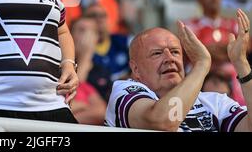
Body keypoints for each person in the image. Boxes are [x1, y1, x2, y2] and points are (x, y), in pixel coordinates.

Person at [105, 9, 252, 132]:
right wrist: (201, 65)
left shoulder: (214, 102)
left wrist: (241, 63)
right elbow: (163, 123)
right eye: (157, 53)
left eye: (175, 52)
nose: (170, 58)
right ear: (135, 69)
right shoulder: (123, 91)